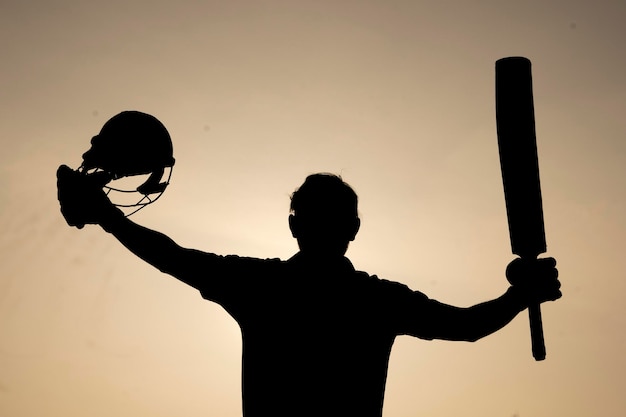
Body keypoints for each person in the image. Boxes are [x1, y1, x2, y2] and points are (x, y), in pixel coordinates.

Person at [57, 169, 561, 417]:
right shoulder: (377, 300)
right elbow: (467, 326)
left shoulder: (261, 287)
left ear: (294, 225)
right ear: (355, 228)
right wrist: (519, 295)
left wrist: (107, 215)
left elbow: (170, 255)